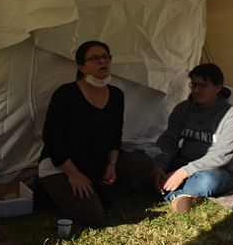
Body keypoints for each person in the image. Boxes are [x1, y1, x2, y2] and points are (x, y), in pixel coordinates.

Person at [38, 40, 154, 228]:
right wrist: (73, 174)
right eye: (94, 59)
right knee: (94, 218)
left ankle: (97, 188)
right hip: (62, 165)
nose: (102, 62)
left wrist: (112, 164)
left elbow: (116, 135)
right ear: (82, 67)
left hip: (95, 162)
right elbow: (52, 140)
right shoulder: (66, 94)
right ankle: (56, 191)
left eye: (105, 57)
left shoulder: (116, 95)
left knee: (144, 165)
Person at [152, 63, 233, 214]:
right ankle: (182, 194)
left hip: (216, 170)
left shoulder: (232, 115)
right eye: (193, 84)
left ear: (218, 88)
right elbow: (169, 140)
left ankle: (169, 192)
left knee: (209, 181)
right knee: (145, 164)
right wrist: (160, 166)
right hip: (183, 162)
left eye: (202, 85)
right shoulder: (183, 109)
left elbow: (220, 156)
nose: (196, 90)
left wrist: (183, 173)